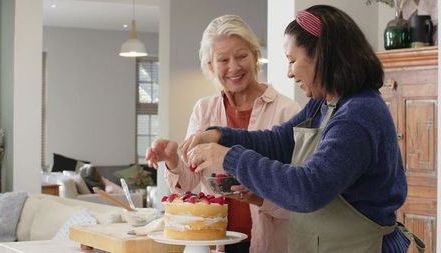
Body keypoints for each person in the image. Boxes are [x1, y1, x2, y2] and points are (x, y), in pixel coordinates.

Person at [180, 5, 421, 253]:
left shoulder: (358, 115)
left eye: (292, 60)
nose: (289, 72)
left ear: (322, 56)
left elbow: (308, 189)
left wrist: (228, 157)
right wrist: (221, 135)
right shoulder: (324, 104)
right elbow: (280, 142)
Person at [146, 15, 300, 253]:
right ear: (210, 66)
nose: (234, 67)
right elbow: (189, 186)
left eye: (241, 56)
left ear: (256, 56)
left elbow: (299, 194)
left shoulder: (287, 111)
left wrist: (260, 196)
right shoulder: (204, 110)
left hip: (270, 244)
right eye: (223, 60)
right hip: (214, 245)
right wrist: (173, 160)